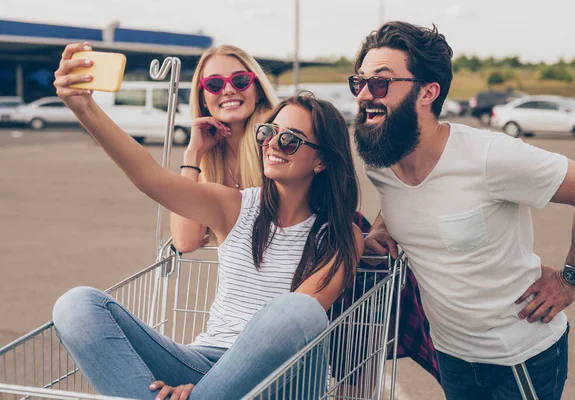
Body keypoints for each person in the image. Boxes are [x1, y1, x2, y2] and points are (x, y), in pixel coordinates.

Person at [51, 42, 364, 400]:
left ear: (321, 161)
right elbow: (149, 177)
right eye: (268, 133)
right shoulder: (235, 206)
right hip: (206, 362)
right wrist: (84, 108)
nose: (273, 143)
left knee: (299, 312)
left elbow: (291, 333)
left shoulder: (341, 236)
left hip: (288, 377)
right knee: (76, 306)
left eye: (290, 140)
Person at [351, 21, 575, 399]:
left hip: (522, 360)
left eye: (380, 82)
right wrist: (385, 228)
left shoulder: (490, 157)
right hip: (451, 357)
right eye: (360, 82)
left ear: (427, 92)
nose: (365, 94)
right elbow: (408, 200)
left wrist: (572, 279)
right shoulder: (381, 165)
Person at [170, 44, 279, 251]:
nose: (228, 90)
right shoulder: (210, 161)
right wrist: (192, 154)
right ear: (203, 98)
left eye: (240, 80)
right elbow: (185, 241)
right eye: (214, 84)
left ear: (257, 91)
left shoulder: (277, 141)